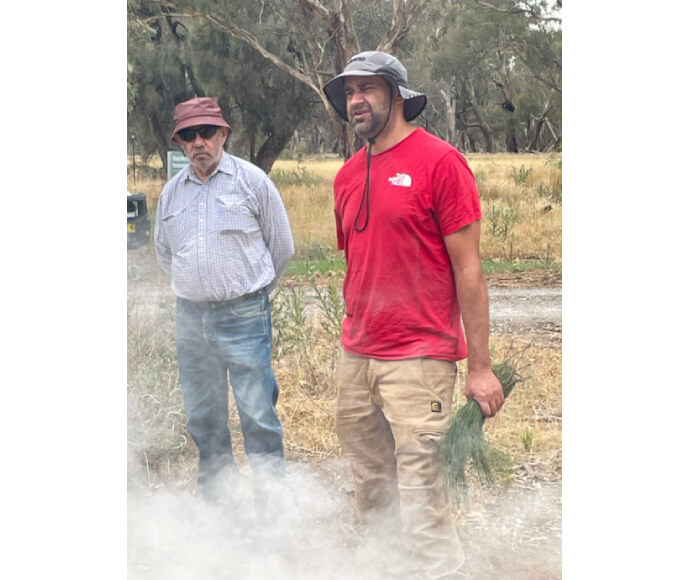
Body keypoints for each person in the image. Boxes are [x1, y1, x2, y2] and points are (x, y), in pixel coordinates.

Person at [323, 51, 505, 580]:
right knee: (371, 488)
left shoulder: (440, 162)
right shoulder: (347, 176)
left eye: (368, 89)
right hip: (356, 356)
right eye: (349, 92)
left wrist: (480, 367)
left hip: (421, 357)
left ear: (398, 96)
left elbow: (468, 271)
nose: (355, 100)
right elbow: (363, 264)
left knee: (423, 496)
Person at [154, 97, 294, 502]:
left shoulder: (252, 182)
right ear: (179, 142)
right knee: (204, 417)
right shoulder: (171, 194)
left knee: (257, 416)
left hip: (245, 315)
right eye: (188, 135)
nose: (198, 142)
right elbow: (166, 256)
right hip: (190, 319)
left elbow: (281, 248)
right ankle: (221, 512)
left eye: (206, 132)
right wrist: (199, 288)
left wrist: (249, 297)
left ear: (223, 134)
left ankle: (272, 510)